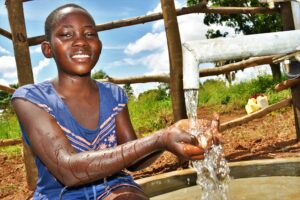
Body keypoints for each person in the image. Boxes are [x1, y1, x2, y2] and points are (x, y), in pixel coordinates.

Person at [12, 4, 217, 200]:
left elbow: (135, 161)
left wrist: (174, 135)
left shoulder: (114, 95)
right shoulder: (31, 99)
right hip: (60, 194)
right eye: (66, 35)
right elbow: (68, 171)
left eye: (90, 34)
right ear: (48, 49)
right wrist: (160, 139)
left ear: (99, 45)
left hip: (114, 187)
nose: (81, 41)